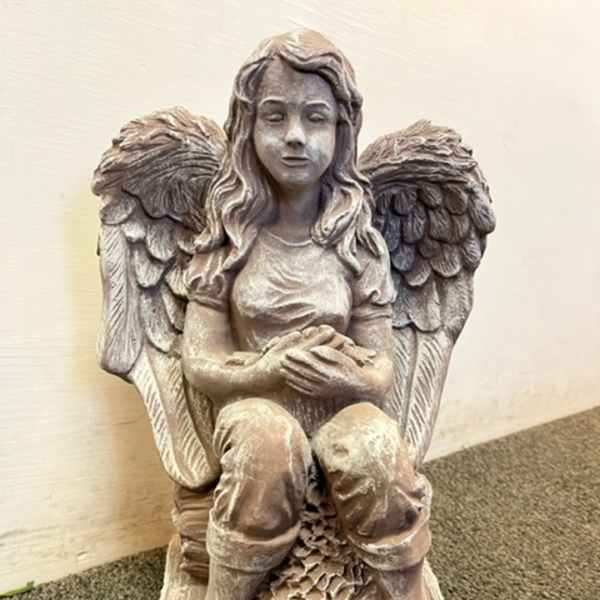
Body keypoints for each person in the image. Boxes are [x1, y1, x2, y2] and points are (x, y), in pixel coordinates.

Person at [182, 29, 431, 600]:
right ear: (248, 128)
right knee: (268, 447)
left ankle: (405, 587)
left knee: (375, 448)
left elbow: (381, 372)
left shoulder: (357, 245)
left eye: (315, 118)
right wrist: (268, 369)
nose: (295, 136)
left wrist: (346, 376)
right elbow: (200, 361)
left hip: (340, 406)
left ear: (341, 132)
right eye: (275, 117)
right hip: (253, 405)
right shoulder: (227, 240)